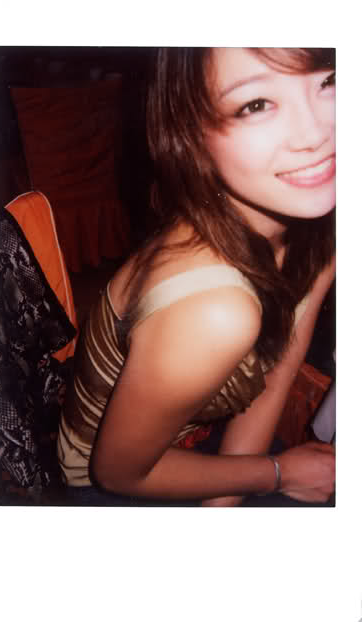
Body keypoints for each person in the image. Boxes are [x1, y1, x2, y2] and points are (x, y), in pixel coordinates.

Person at [57, 47, 336, 507]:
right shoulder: (213, 309)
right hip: (113, 482)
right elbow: (119, 471)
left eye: (330, 80)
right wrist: (277, 473)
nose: (317, 132)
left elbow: (280, 363)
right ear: (190, 135)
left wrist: (228, 502)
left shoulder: (320, 218)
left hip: (198, 441)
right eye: (256, 104)